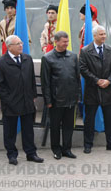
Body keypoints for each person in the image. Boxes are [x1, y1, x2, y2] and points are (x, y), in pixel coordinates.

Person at [0, 35, 44, 165]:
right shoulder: (1, 63)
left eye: (21, 43)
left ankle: (31, 153)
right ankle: (12, 154)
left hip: (27, 101)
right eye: (18, 44)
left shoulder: (27, 59)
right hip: (10, 103)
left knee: (28, 130)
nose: (21, 45)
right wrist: (8, 100)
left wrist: (33, 97)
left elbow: (32, 80)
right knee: (10, 131)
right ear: (9, 47)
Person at [79, 25, 111, 154]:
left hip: (107, 90)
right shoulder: (85, 51)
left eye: (104, 34)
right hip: (92, 90)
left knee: (109, 119)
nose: (104, 36)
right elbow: (83, 68)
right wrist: (97, 80)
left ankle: (110, 143)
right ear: (95, 36)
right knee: (89, 119)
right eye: (101, 34)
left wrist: (108, 80)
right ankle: (88, 144)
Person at [41, 31, 81, 160]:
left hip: (71, 99)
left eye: (67, 41)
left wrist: (77, 95)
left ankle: (67, 149)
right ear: (56, 42)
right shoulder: (47, 58)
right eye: (64, 42)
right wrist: (48, 100)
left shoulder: (73, 56)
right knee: (55, 126)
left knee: (69, 126)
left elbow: (77, 78)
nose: (66, 44)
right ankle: (56, 149)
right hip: (56, 100)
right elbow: (45, 82)